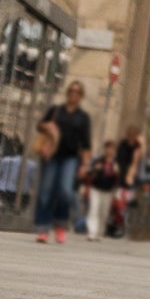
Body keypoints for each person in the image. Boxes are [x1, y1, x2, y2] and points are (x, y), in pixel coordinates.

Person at [34, 79, 93, 244]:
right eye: (71, 91)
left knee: (66, 192)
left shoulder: (83, 117)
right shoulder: (56, 110)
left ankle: (60, 226)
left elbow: (86, 144)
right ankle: (43, 229)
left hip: (70, 158)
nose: (73, 94)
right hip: (51, 156)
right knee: (46, 192)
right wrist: (48, 127)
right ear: (67, 93)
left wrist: (85, 165)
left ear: (81, 96)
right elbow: (39, 126)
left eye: (77, 92)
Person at [84, 141, 120, 241]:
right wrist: (95, 169)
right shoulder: (97, 160)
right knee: (94, 209)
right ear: (104, 149)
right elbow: (88, 171)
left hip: (108, 190)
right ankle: (92, 232)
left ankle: (99, 232)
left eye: (111, 148)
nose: (109, 150)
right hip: (95, 188)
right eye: (107, 148)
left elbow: (120, 178)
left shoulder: (116, 162)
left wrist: (117, 173)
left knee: (103, 212)